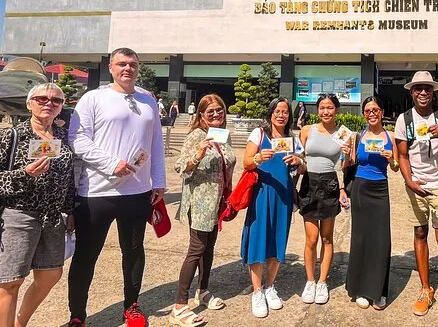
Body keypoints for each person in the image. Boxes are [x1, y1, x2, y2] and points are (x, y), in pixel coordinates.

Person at [67, 47, 166, 327]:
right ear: (111, 67)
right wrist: (112, 163)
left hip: (137, 192)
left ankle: (131, 305)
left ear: (138, 67)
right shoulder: (93, 98)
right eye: (121, 64)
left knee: (133, 251)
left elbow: (155, 143)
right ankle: (77, 315)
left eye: (132, 64)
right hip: (97, 192)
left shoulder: (148, 100)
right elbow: (77, 139)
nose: (127, 69)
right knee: (86, 255)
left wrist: (158, 180)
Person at [0, 84, 75, 327]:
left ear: (61, 107)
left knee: (51, 274)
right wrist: (24, 175)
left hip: (52, 217)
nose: (49, 103)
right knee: (10, 282)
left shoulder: (64, 137)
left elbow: (68, 177)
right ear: (29, 103)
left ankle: (20, 322)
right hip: (19, 215)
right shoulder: (12, 136)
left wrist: (70, 209)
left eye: (56, 100)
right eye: (42, 98)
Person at [394, 71, 438, 326]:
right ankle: (426, 289)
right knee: (420, 234)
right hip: (417, 185)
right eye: (418, 88)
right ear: (412, 92)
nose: (423, 92)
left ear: (433, 92)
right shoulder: (404, 119)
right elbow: (402, 155)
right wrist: (409, 181)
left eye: (427, 88)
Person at [170, 94, 236, 326]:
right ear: (201, 115)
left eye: (220, 110)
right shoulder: (196, 136)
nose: (216, 114)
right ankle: (179, 305)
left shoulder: (223, 135)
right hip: (199, 202)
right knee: (196, 249)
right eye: (210, 112)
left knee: (209, 248)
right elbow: (181, 167)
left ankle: (203, 291)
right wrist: (198, 153)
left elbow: (227, 163)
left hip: (217, 201)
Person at [241, 97, 304, 318]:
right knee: (259, 239)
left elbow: (303, 168)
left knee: (278, 240)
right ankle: (257, 291)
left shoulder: (293, 139)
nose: (281, 115)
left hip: (283, 197)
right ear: (270, 113)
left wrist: (298, 161)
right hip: (262, 194)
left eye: (285, 112)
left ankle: (270, 286)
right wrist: (258, 157)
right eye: (277, 111)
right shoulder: (259, 134)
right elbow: (246, 162)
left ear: (289, 115)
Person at [345, 97, 399, 310]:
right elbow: (349, 163)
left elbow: (396, 167)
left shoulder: (390, 136)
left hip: (380, 188)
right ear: (363, 114)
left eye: (375, 110)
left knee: (381, 239)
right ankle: (360, 288)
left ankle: (378, 291)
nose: (372, 114)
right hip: (360, 188)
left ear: (382, 112)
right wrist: (345, 156)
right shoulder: (357, 136)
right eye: (367, 111)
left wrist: (391, 158)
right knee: (361, 238)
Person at [298, 94, 351, 306]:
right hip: (309, 183)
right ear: (317, 109)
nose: (326, 111)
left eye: (330, 107)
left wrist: (342, 188)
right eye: (322, 107)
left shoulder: (343, 133)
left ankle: (322, 282)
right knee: (311, 239)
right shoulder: (307, 130)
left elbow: (344, 166)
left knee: (327, 237)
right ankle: (310, 281)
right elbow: (300, 158)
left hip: (330, 184)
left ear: (337, 110)